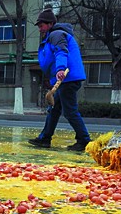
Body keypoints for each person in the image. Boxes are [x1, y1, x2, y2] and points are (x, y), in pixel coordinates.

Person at [28, 8, 91, 151]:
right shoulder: (52, 34)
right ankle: (45, 138)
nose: (39, 29)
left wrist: (60, 69)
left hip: (67, 78)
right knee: (54, 109)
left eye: (41, 25)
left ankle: (84, 140)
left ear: (50, 24)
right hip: (64, 79)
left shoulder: (56, 34)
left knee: (70, 111)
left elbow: (61, 51)